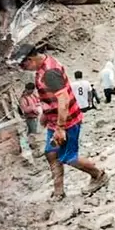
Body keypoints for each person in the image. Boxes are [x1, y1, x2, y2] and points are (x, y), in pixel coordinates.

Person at [21, 48, 108, 200]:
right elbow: (51, 96)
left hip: (67, 122)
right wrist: (46, 114)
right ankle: (58, 192)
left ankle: (98, 175)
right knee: (51, 153)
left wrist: (60, 128)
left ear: (30, 59)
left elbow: (63, 99)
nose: (22, 69)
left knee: (69, 157)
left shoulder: (49, 73)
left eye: (23, 65)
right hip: (55, 120)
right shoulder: (43, 67)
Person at [19, 82, 42, 147]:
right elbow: (25, 110)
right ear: (27, 89)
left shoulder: (33, 95)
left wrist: (38, 105)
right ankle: (32, 145)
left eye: (32, 90)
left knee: (33, 131)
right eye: (30, 90)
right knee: (32, 132)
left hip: (36, 116)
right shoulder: (23, 99)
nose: (32, 91)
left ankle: (30, 143)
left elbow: (38, 101)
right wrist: (32, 107)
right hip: (30, 118)